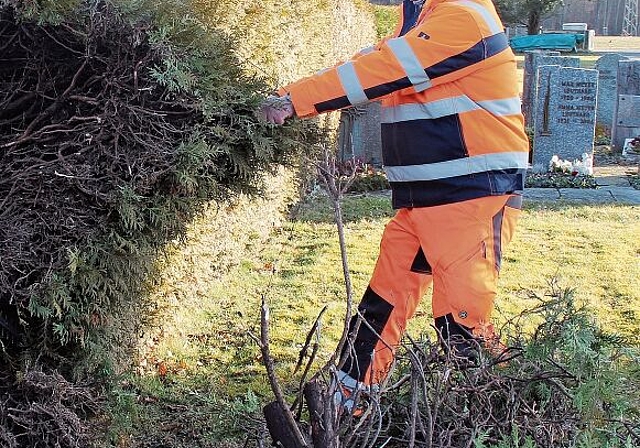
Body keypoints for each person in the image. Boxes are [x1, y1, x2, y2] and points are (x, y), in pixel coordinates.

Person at [259, 0, 529, 412]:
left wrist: (291, 101)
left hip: (470, 196)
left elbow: (380, 71)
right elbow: (363, 66)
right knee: (382, 304)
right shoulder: (421, 23)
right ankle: (345, 403)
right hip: (426, 199)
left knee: (463, 321)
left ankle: (504, 417)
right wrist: (290, 95)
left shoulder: (464, 18)